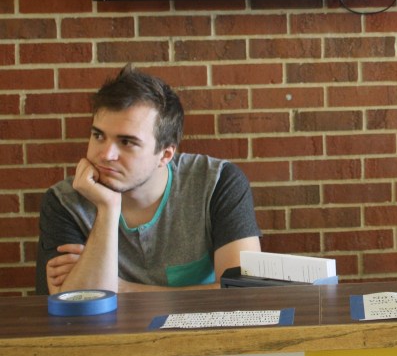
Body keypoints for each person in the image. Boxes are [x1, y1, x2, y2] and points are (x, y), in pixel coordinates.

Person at [35, 65, 261, 294]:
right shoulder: (64, 201)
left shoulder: (217, 183)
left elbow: (245, 293)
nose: (106, 155)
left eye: (126, 142)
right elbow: (78, 305)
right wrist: (108, 207)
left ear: (165, 155)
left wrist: (122, 289)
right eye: (98, 136)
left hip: (199, 321)